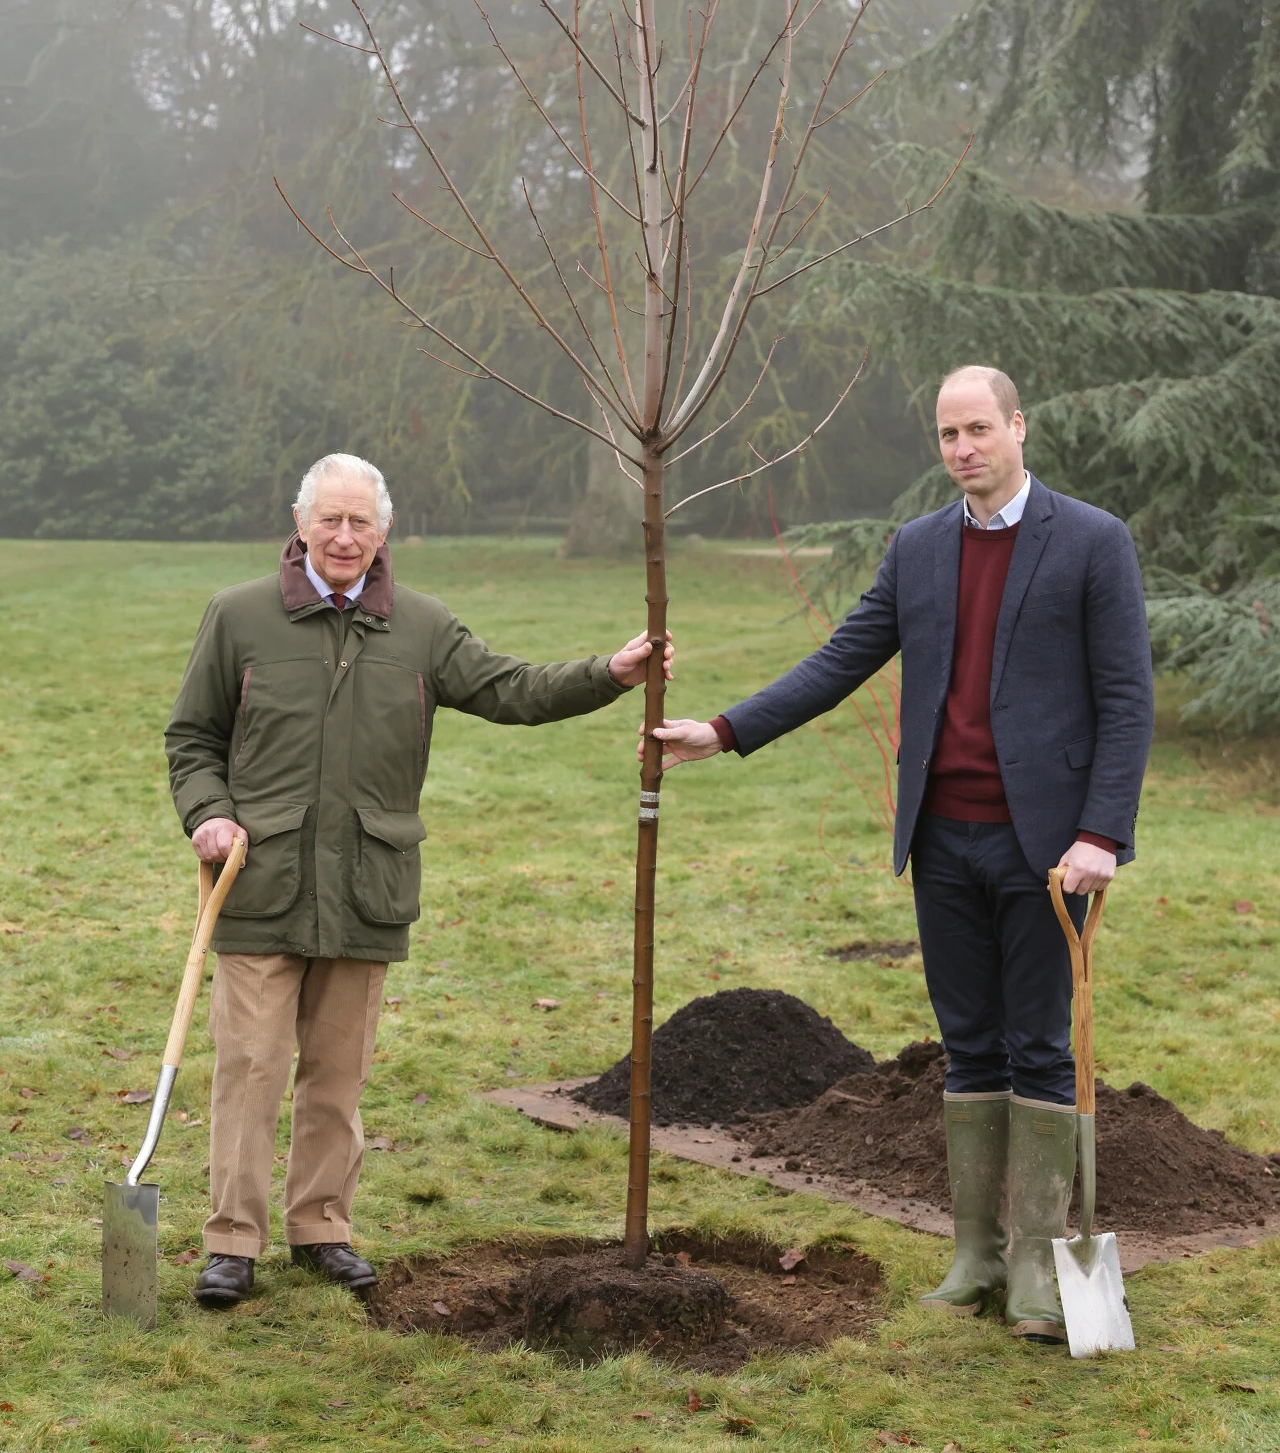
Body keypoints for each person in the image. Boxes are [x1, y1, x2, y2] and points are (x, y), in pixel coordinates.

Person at [651, 367, 1154, 1342]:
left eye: (976, 428)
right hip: (939, 836)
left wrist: (1100, 833)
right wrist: (724, 727)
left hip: (1048, 849)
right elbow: (841, 659)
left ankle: (1043, 1272)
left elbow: (1125, 700)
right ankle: (974, 1253)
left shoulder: (1091, 541)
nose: (961, 447)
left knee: (1039, 1043)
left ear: (1016, 426)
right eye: (944, 433)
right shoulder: (918, 549)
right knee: (966, 1041)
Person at [167, 452, 672, 1309]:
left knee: (337, 1072)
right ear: (300, 524)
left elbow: (511, 688)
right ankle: (232, 1243)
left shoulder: (422, 627)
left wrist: (608, 675)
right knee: (250, 1067)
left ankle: (321, 1227)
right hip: (260, 885)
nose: (344, 535)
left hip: (369, 885)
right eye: (329, 518)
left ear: (385, 530)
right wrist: (207, 813)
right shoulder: (239, 618)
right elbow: (192, 738)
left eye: (361, 521)